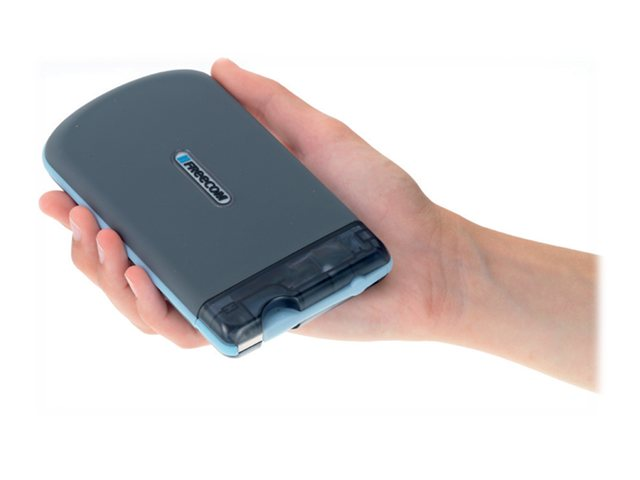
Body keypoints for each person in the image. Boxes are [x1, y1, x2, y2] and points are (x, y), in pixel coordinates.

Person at [39, 59, 597, 390]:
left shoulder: (173, 95)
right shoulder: (150, 107)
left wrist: (447, 271)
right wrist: (447, 280)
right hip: (338, 257)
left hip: (277, 283)